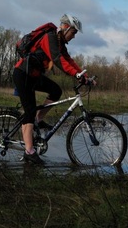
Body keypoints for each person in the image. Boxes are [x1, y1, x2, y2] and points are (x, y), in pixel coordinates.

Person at [13, 14, 93, 165]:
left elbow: (69, 60)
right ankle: (29, 151)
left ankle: (38, 119)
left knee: (56, 91)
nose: (74, 36)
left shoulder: (59, 42)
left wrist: (84, 76)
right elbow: (58, 60)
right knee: (29, 111)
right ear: (65, 28)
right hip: (23, 75)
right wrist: (75, 74)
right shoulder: (50, 38)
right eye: (74, 32)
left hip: (34, 76)